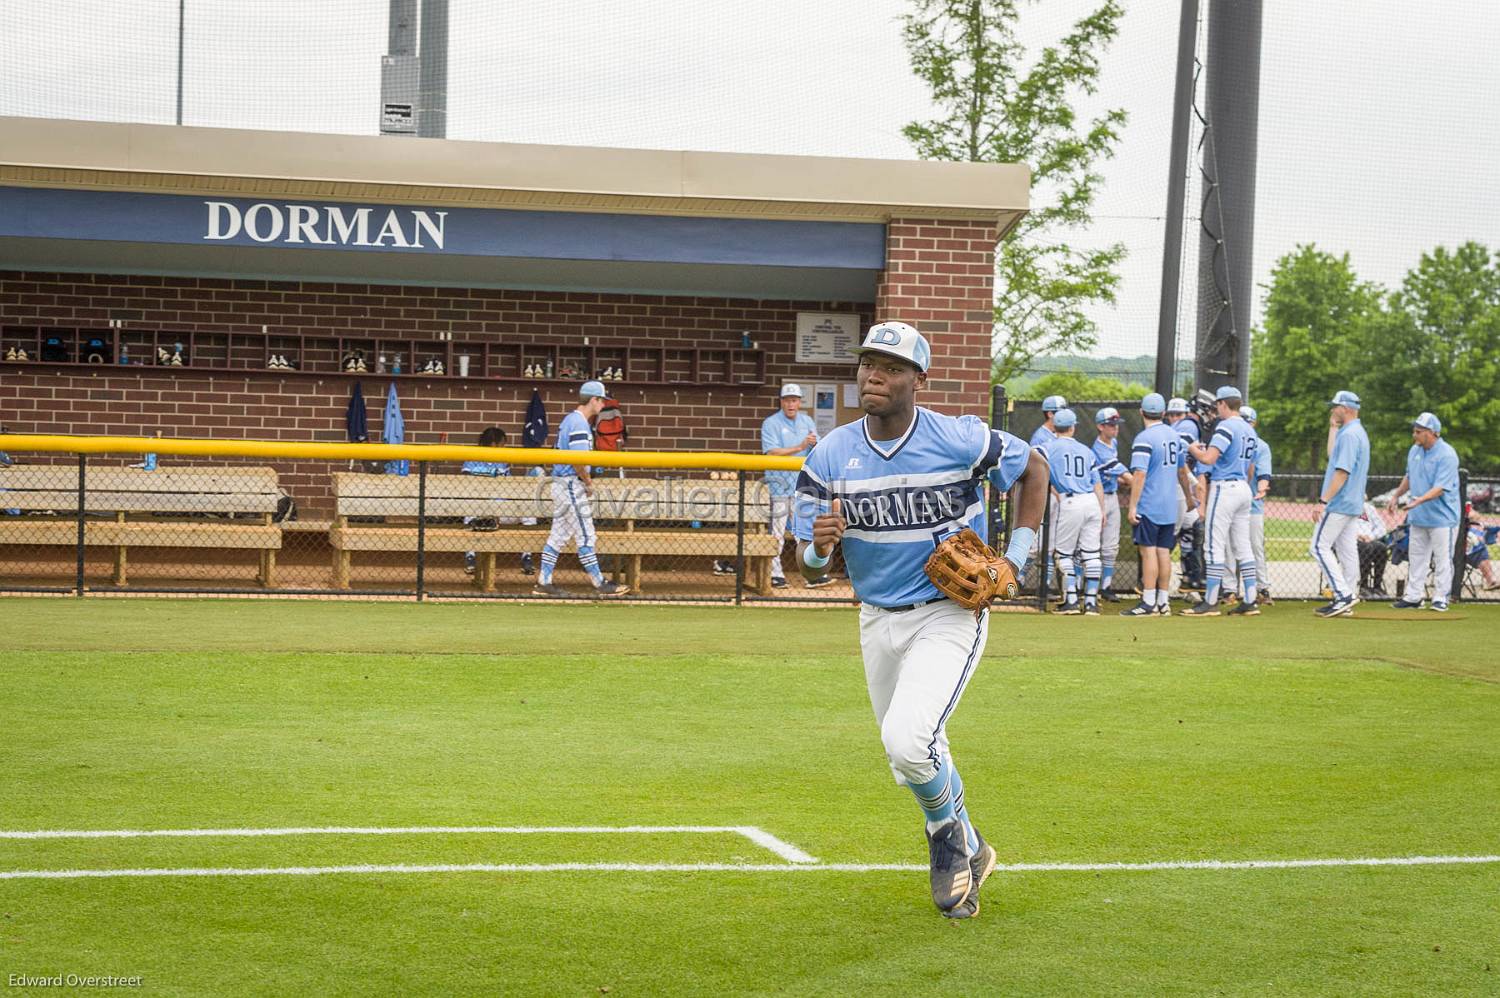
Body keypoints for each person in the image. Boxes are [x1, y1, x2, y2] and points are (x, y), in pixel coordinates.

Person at [794, 320, 1047, 920]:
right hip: (876, 618)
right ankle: (972, 844)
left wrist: (1018, 556)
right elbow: (803, 568)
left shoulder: (958, 438)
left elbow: (1033, 468)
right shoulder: (830, 453)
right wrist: (815, 550)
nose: (873, 375)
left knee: (910, 741)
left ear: (918, 380)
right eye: (867, 364)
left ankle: (945, 840)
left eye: (890, 367)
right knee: (908, 757)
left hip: (947, 613)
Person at [716, 384, 826, 588]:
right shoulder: (771, 423)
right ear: (781, 402)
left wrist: (814, 445)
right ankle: (775, 575)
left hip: (801, 487)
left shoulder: (807, 421)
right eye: (787, 400)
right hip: (779, 487)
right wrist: (800, 447)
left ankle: (812, 574)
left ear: (799, 402)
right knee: (777, 534)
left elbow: (816, 446)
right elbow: (771, 452)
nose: (791, 404)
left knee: (804, 532)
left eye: (795, 400)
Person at [533, 380, 630, 598]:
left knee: (559, 534)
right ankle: (599, 582)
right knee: (586, 534)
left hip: (563, 483)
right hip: (569, 483)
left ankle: (544, 581)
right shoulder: (578, 422)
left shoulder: (572, 419)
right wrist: (587, 481)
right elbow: (577, 460)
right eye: (601, 400)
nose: (603, 404)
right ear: (593, 399)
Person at [1183, 386, 1260, 617]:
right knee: (1243, 546)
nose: (1216, 409)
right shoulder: (1249, 429)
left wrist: (1191, 449)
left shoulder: (1226, 426)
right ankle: (1250, 600)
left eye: (1218, 404)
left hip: (1225, 487)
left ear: (1224, 404)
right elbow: (1251, 467)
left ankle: (1210, 602)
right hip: (1243, 487)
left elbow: (1208, 458)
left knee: (1213, 545)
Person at [1121, 393, 1197, 617]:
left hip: (1149, 505)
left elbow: (1140, 474)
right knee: (1164, 552)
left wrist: (1133, 506)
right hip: (1169, 506)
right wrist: (1190, 498)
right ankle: (1163, 602)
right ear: (1163, 414)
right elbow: (1183, 472)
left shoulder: (1144, 438)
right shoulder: (1175, 437)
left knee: (1148, 552)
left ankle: (1148, 602)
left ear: (1141, 412)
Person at [1391, 412, 1460, 610]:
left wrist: (1419, 500)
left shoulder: (1447, 454)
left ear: (1432, 433)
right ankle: (1413, 596)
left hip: (1442, 518)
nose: (1414, 435)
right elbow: (1409, 476)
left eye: (1418, 431)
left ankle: (1440, 597)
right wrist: (1396, 496)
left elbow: (1440, 487)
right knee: (1417, 557)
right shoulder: (1415, 450)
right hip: (1419, 516)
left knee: (1442, 559)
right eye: (1414, 430)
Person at [1311, 390, 1370, 618]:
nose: (1332, 409)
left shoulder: (1350, 435)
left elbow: (1342, 471)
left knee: (1318, 547)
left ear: (1345, 408)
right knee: (1347, 551)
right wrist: (1333, 427)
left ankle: (1343, 595)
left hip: (1340, 501)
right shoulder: (1356, 432)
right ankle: (1346, 596)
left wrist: (1322, 500)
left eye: (1335, 406)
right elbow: (1333, 455)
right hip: (1352, 502)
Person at [1043, 409, 1106, 615]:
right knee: (1091, 553)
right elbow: (1097, 484)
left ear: (1054, 427)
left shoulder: (1047, 448)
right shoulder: (1087, 450)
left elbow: (1040, 475)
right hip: (1091, 501)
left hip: (1070, 500)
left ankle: (1070, 600)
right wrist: (1102, 510)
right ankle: (1091, 603)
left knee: (1063, 555)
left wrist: (1055, 491)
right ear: (1073, 427)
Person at [460, 426, 535, 578]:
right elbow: (467, 483)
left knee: (529, 514)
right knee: (469, 510)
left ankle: (526, 557)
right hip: (480, 508)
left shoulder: (502, 462)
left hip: (502, 508)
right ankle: (471, 557)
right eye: (502, 444)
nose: (504, 448)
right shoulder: (472, 458)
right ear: (494, 444)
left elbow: (508, 486)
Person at [1091, 407, 1134, 601]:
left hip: (1112, 495)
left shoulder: (1113, 443)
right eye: (1110, 425)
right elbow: (1127, 477)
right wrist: (1141, 484)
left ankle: (1106, 587)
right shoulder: (1098, 449)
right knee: (1091, 544)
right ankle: (1087, 588)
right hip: (1097, 498)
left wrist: (1122, 481)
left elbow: (1114, 476)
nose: (1115, 428)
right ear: (1100, 426)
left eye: (1116, 424)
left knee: (1111, 545)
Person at [1165, 397, 1207, 592]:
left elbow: (1198, 468)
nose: (1175, 419)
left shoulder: (1188, 431)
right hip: (1169, 491)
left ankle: (1190, 578)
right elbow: (1179, 466)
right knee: (1166, 539)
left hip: (1182, 493)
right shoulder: (1180, 431)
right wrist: (1194, 482)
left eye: (1179, 414)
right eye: (1172, 415)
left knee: (1193, 527)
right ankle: (1151, 583)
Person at [1241, 405, 1274, 605]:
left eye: (1249, 421)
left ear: (1254, 423)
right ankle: (1228, 590)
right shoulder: (1230, 441)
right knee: (1228, 548)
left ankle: (1263, 589)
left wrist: (1262, 488)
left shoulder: (1261, 446)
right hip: (1233, 504)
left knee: (1255, 547)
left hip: (1253, 505)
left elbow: (1264, 474)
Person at [1354, 500, 1391, 599]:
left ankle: (1377, 586)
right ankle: (1364, 586)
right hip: (1351, 541)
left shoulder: (1368, 508)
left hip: (1370, 539)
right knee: (1366, 548)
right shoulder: (1344, 507)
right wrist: (1357, 536)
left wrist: (1371, 537)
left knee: (1381, 548)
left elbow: (1381, 527)